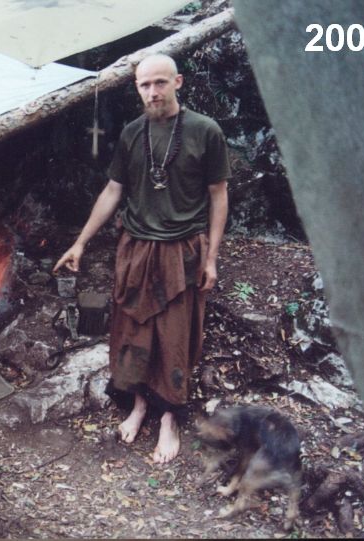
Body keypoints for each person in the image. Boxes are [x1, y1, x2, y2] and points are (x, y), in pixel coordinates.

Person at [54, 53, 229, 464]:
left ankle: (169, 416)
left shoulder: (206, 131)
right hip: (135, 247)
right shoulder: (133, 133)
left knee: (174, 336)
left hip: (183, 248)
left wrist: (211, 259)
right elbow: (113, 191)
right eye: (144, 85)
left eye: (160, 83)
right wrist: (80, 243)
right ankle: (139, 404)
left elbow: (218, 195)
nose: (152, 91)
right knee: (131, 331)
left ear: (178, 82)